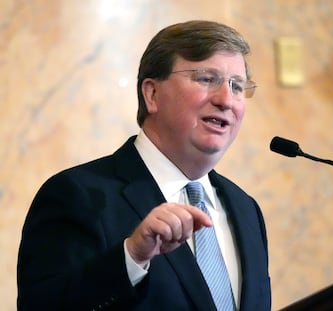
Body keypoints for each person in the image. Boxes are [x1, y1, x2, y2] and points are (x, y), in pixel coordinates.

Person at [17, 20, 271, 311]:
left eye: (237, 86)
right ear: (151, 94)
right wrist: (131, 258)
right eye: (206, 79)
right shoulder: (78, 195)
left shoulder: (245, 208)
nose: (226, 99)